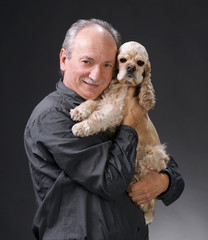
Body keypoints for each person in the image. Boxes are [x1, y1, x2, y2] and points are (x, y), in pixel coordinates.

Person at [24, 19, 184, 240]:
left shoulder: (114, 102)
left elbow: (165, 163)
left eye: (107, 64)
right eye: (87, 61)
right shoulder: (51, 117)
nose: (97, 75)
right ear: (64, 59)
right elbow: (111, 182)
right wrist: (130, 123)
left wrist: (164, 182)